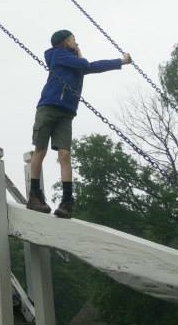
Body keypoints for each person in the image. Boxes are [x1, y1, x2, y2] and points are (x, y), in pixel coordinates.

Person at [28, 29, 132, 219]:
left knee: (65, 154)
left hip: (66, 112)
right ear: (65, 41)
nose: (77, 42)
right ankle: (34, 195)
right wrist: (80, 55)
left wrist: (120, 62)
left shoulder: (73, 61)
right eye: (74, 40)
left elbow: (91, 67)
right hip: (48, 107)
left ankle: (67, 200)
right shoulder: (57, 55)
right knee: (40, 150)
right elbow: (84, 64)